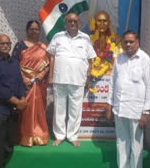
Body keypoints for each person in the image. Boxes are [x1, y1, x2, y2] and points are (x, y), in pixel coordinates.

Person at [107, 30, 150, 168]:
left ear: (137, 42)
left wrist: (146, 112)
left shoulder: (144, 59)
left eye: (131, 42)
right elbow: (113, 82)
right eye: (125, 41)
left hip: (136, 111)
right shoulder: (119, 58)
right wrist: (109, 104)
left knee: (136, 145)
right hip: (119, 109)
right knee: (121, 143)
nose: (128, 44)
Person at [47, 13, 96, 147]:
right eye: (70, 21)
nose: (72, 23)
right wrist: (51, 75)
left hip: (78, 80)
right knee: (59, 108)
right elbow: (52, 56)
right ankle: (59, 135)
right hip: (60, 78)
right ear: (65, 23)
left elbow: (90, 59)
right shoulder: (58, 37)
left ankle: (73, 136)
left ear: (79, 23)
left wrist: (88, 76)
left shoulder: (85, 38)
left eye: (75, 21)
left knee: (75, 109)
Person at [0, 34, 27, 168]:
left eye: (8, 43)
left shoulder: (14, 61)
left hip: (12, 111)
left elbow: (20, 82)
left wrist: (23, 99)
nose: (6, 46)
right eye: (2, 43)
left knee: (9, 144)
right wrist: (17, 101)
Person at [12, 20, 50, 146]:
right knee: (25, 108)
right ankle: (25, 135)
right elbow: (14, 64)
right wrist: (23, 78)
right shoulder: (20, 46)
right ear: (27, 30)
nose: (34, 32)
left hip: (39, 84)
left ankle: (39, 134)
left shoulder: (43, 47)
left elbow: (48, 64)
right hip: (25, 84)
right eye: (32, 29)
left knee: (39, 109)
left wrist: (42, 74)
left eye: (37, 29)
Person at [90, 10, 123, 78]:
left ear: (109, 23)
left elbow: (120, 61)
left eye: (105, 21)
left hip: (111, 78)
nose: (102, 24)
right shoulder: (88, 40)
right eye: (99, 21)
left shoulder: (117, 40)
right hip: (91, 77)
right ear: (95, 22)